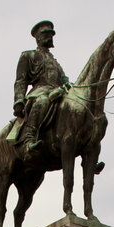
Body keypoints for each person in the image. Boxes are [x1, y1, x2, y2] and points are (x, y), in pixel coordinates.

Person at [13, 20, 71, 159]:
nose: (49, 36)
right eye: (45, 34)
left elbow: (64, 80)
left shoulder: (55, 61)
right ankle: (28, 140)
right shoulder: (28, 56)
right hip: (40, 92)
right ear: (37, 37)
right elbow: (21, 81)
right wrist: (19, 101)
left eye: (51, 34)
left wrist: (71, 87)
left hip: (58, 92)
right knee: (43, 101)